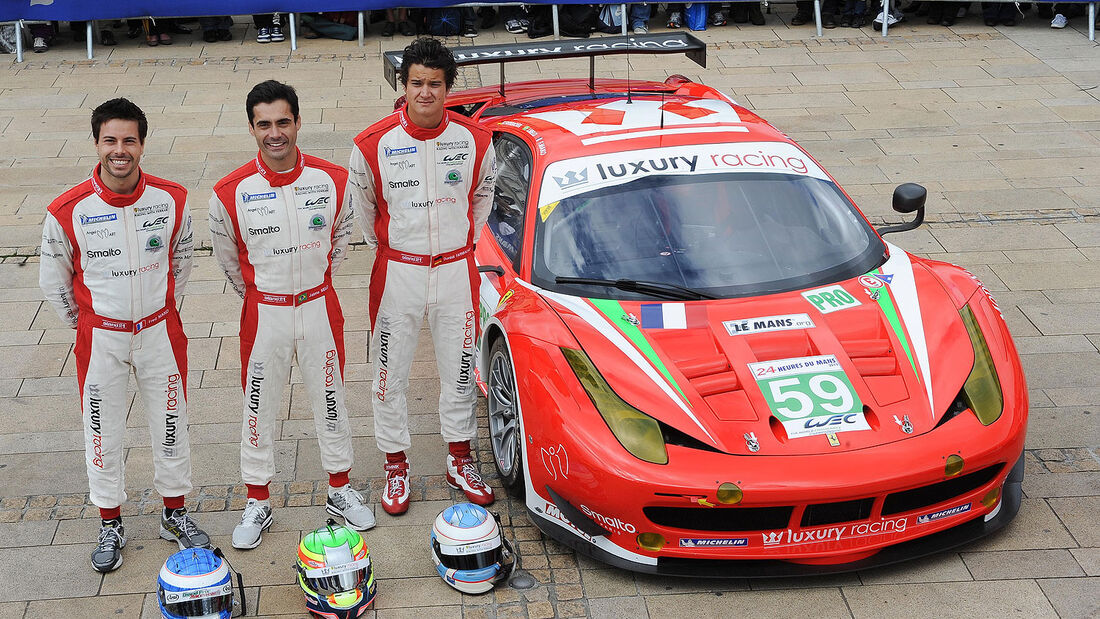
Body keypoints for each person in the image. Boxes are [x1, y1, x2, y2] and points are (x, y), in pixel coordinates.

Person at [39, 98, 209, 573]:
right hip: (102, 339)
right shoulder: (67, 210)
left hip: (160, 332)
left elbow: (181, 262)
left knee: (171, 425)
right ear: (96, 143)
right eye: (110, 140)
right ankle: (109, 521)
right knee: (101, 433)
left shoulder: (171, 198)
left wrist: (157, 313)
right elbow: (54, 283)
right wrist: (91, 323)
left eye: (129, 140)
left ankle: (174, 513)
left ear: (142, 144)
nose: (120, 150)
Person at [209, 80, 374, 549]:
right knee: (258, 408)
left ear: (298, 122)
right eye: (264, 124)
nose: (275, 133)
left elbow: (341, 239)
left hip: (320, 305)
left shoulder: (333, 181)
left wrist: (309, 283)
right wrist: (271, 294)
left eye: (283, 122)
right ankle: (258, 501)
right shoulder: (229, 193)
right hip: (265, 315)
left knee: (332, 400)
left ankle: (340, 491)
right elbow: (229, 262)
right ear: (252, 128)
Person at [348, 38, 497, 516]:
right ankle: (395, 464)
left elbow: (482, 200)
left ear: (448, 87)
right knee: (389, 376)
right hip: (399, 274)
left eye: (435, 84)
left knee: (459, 371)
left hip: (456, 270)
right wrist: (400, 252)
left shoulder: (476, 139)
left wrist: (455, 246)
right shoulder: (371, 145)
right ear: (403, 86)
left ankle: (460, 457)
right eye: (417, 84)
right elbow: (364, 213)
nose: (425, 93)